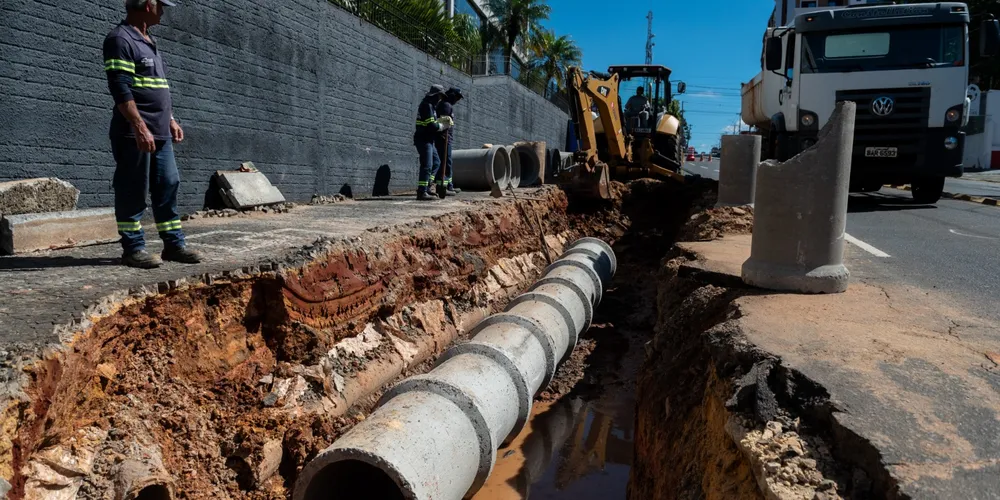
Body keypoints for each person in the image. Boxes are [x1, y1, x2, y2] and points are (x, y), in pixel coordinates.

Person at [103, 0, 201, 268]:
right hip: (134, 133)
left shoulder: (149, 41)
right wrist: (139, 126)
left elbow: (158, 88)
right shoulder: (120, 40)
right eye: (161, 4)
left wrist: (170, 119)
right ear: (147, 4)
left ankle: (174, 244)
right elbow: (120, 89)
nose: (164, 10)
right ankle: (133, 249)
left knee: (168, 184)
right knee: (132, 189)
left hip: (160, 132)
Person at [413, 85, 453, 201]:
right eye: (440, 96)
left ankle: (428, 186)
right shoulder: (427, 106)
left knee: (436, 162)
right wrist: (442, 126)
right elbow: (431, 126)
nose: (440, 99)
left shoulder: (431, 107)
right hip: (424, 139)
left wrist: (439, 122)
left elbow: (432, 122)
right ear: (435, 95)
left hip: (429, 140)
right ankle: (422, 192)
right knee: (427, 165)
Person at [432, 87, 464, 196]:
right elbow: (443, 122)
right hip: (443, 139)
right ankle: (444, 186)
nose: (457, 100)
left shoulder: (446, 105)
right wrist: (444, 135)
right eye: (457, 97)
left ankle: (448, 185)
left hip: (446, 138)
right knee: (446, 162)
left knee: (447, 162)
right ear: (452, 95)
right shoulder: (445, 105)